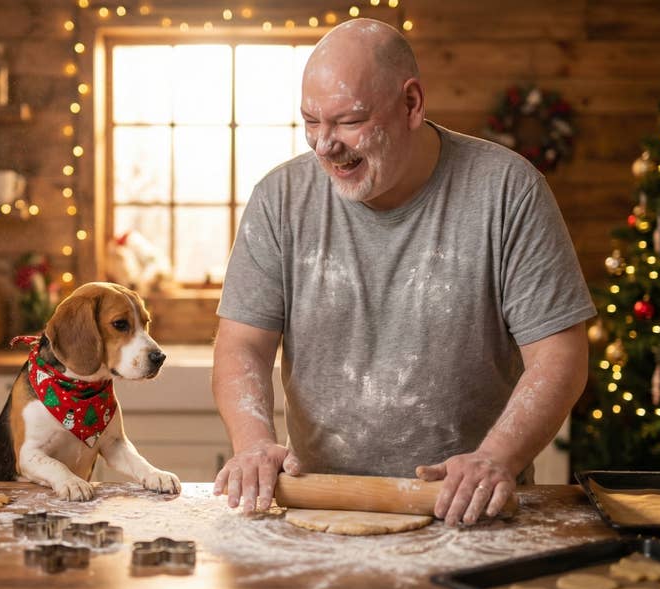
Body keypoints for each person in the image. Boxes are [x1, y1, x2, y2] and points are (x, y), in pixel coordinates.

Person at [211, 18, 595, 526]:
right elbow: (242, 345)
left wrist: (497, 456)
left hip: (465, 510)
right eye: (311, 121)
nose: (325, 145)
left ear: (412, 104)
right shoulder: (279, 200)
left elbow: (559, 356)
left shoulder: (508, 192)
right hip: (318, 507)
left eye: (349, 121)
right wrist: (253, 443)